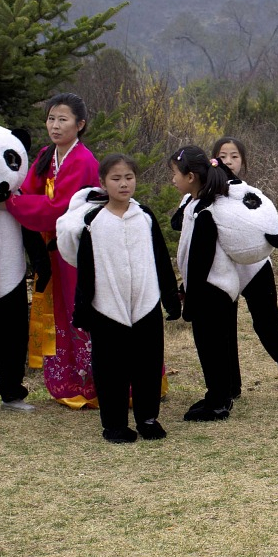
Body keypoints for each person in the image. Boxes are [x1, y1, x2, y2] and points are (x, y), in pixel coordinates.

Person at [56, 155, 180, 443]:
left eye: (128, 177)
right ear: (103, 183)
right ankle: (114, 424)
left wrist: (170, 299)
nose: (123, 183)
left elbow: (161, 260)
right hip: (107, 307)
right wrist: (83, 310)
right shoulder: (93, 222)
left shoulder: (146, 217)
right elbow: (86, 270)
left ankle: (148, 419)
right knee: (110, 368)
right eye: (116, 178)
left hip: (145, 304)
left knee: (148, 364)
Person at [6, 93, 101, 408]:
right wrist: (17, 196)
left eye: (63, 119)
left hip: (77, 249)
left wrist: (12, 203)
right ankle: (68, 382)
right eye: (51, 119)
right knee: (59, 311)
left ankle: (97, 383)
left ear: (80, 124)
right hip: (53, 250)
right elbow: (32, 189)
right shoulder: (47, 155)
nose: (55, 125)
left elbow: (59, 207)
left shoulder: (83, 160)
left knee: (81, 310)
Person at [212, 136, 278, 397]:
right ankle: (231, 385)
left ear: (244, 162)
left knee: (266, 317)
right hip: (223, 268)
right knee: (224, 327)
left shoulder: (249, 192)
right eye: (223, 155)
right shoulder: (205, 192)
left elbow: (265, 218)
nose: (228, 161)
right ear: (213, 159)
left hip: (255, 266)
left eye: (235, 156)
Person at [171, 146, 241, 421]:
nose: (172, 179)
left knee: (212, 347)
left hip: (212, 290)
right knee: (214, 346)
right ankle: (218, 395)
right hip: (214, 289)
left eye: (174, 174)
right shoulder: (196, 204)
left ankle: (218, 403)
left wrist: (191, 299)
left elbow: (201, 260)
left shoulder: (205, 212)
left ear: (190, 177)